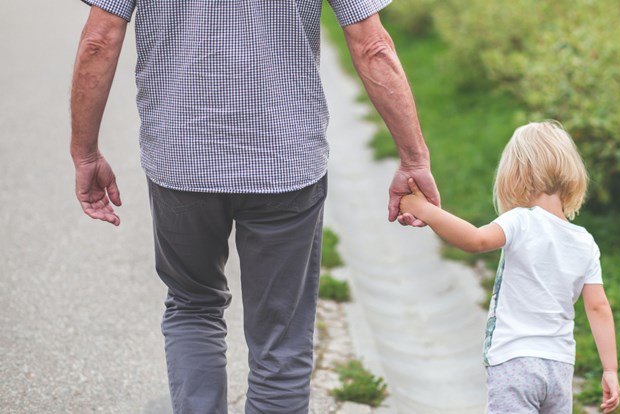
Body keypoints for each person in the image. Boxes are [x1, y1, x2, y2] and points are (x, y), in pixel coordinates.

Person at [69, 1, 439, 413]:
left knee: (193, 307)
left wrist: (85, 154)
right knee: (281, 337)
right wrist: (413, 158)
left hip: (182, 159)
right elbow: (373, 46)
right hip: (286, 162)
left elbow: (99, 41)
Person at [399, 121, 620, 414]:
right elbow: (598, 307)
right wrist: (610, 370)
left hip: (514, 362)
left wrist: (425, 210)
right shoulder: (584, 241)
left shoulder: (520, 220)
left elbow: (475, 240)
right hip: (559, 367)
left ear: (517, 174)